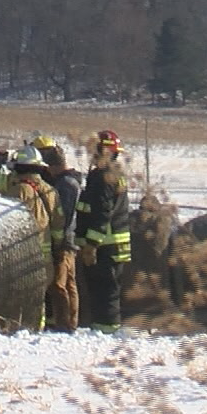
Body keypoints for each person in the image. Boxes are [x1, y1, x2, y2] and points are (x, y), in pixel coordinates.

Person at [76, 130, 132, 333]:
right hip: (113, 245)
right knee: (107, 291)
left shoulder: (103, 176)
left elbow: (102, 213)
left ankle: (106, 333)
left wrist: (91, 244)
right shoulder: (113, 174)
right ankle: (105, 330)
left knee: (104, 292)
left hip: (104, 247)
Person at [0, 145, 61, 328]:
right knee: (39, 297)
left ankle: (26, 327)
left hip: (23, 254)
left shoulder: (16, 189)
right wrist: (57, 249)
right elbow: (59, 225)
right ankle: (39, 328)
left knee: (21, 295)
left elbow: (7, 222)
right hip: (46, 255)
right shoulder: (50, 191)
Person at [35, 135, 82, 331]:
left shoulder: (66, 185)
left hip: (65, 242)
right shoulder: (66, 182)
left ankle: (65, 325)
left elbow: (64, 216)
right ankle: (68, 322)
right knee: (68, 284)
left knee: (60, 284)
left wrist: (59, 241)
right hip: (67, 240)